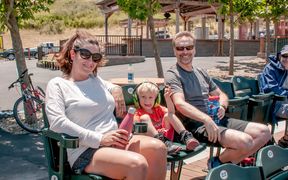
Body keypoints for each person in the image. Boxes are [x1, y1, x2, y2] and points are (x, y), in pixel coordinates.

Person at [45, 29, 167, 180]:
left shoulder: (96, 80)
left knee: (159, 148)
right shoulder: (58, 84)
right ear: (72, 54)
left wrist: (116, 89)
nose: (90, 62)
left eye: (95, 57)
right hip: (86, 150)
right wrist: (99, 139)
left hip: (117, 142)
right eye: (85, 54)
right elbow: (57, 123)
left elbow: (110, 86)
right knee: (137, 164)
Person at [164, 31, 271, 169]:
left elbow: (222, 94)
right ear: (174, 51)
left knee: (264, 132)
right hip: (197, 126)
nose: (185, 51)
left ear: (194, 49)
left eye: (189, 47)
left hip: (216, 119)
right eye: (180, 48)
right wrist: (206, 119)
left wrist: (222, 106)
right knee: (246, 141)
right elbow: (179, 104)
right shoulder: (173, 74)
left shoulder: (201, 72)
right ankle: (223, 166)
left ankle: (219, 163)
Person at [133, 82, 200, 154]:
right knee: (144, 118)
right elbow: (138, 133)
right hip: (151, 141)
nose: (147, 100)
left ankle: (186, 137)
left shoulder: (158, 109)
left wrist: (167, 98)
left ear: (156, 99)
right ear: (137, 98)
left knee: (168, 115)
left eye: (151, 97)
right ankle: (162, 141)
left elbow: (171, 113)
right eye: (143, 97)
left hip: (168, 141)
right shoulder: (137, 113)